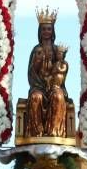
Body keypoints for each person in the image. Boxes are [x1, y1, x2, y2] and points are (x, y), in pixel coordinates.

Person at [25, 10, 69, 138]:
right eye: (44, 29)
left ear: (52, 31)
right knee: (35, 98)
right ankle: (36, 133)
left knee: (58, 97)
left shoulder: (57, 50)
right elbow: (31, 73)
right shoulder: (36, 49)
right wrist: (37, 63)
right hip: (38, 86)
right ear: (40, 31)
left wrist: (59, 64)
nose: (46, 32)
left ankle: (54, 133)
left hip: (54, 86)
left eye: (49, 29)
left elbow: (62, 69)